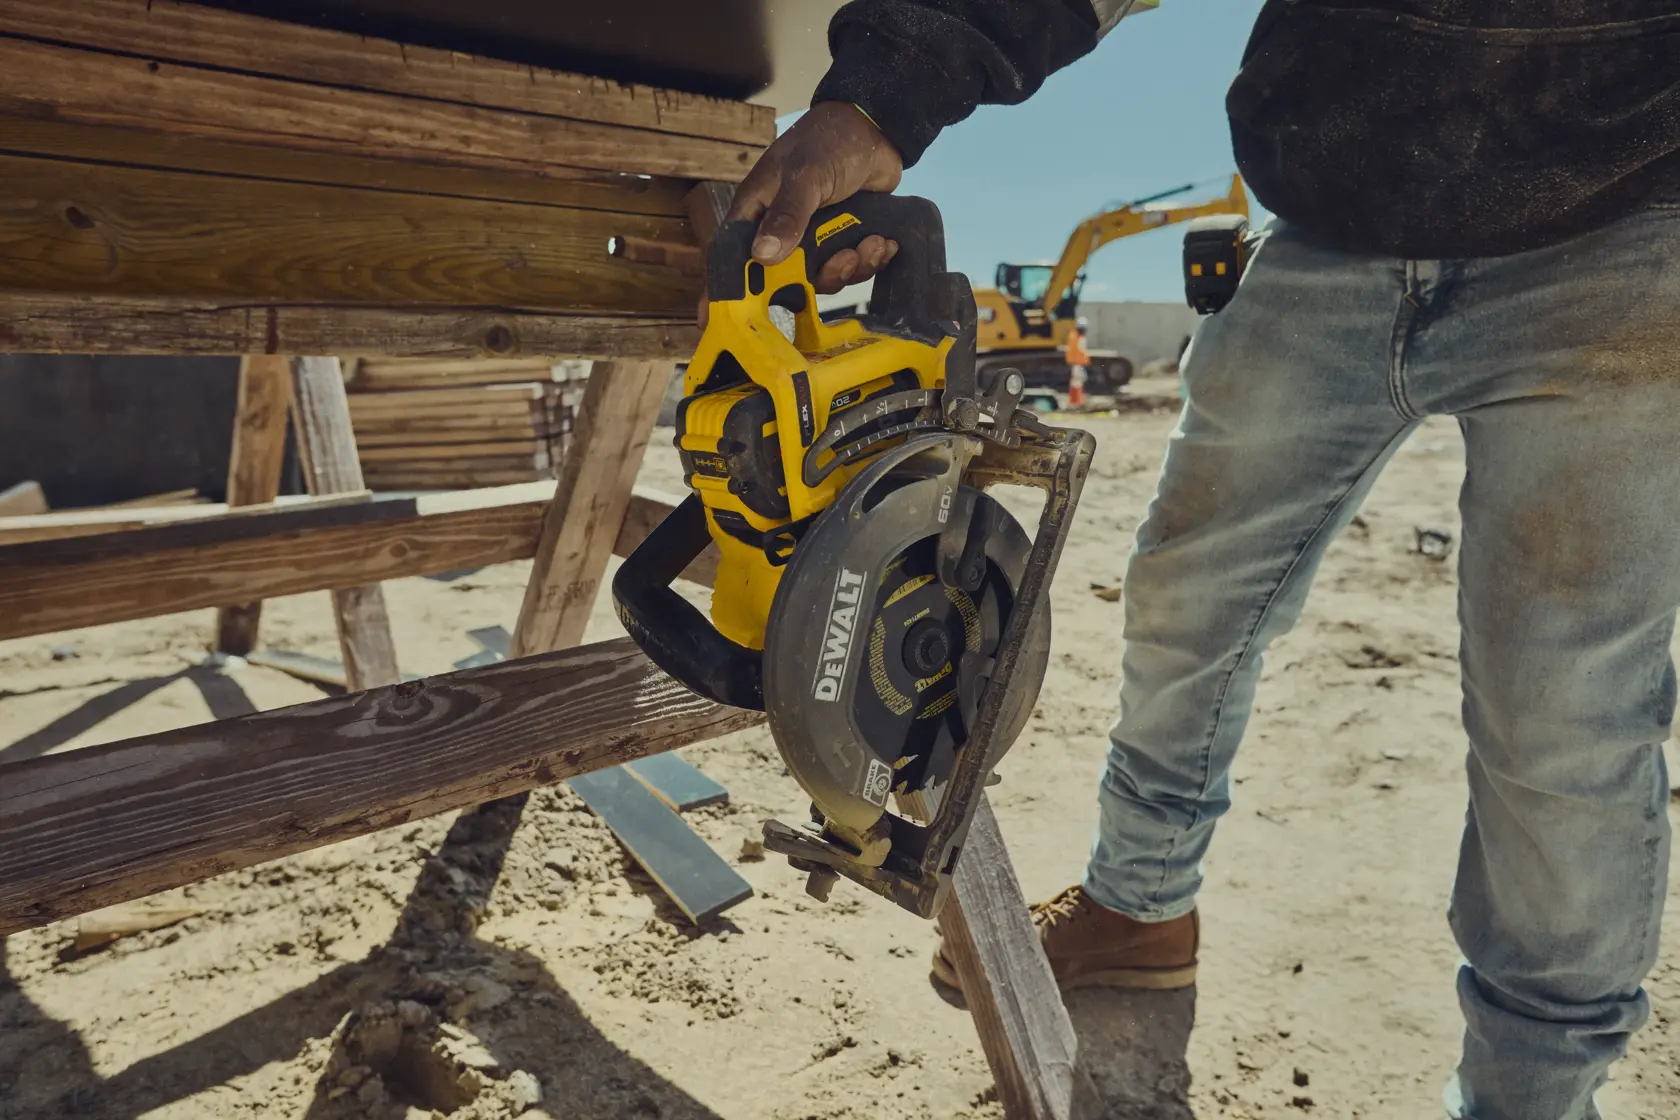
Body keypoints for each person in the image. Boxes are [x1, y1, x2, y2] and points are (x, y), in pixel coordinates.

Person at [723, 3, 1680, 1117]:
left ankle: (1538, 1095)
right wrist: (883, 94)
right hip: (1329, 230)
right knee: (1185, 598)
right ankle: (1141, 908)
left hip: (1617, 236)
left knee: (1562, 716)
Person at [1064, 317, 1090, 406]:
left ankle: (1075, 400)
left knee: (1076, 382)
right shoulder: (1078, 337)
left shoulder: (1074, 336)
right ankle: (1077, 401)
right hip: (1077, 363)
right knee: (1077, 382)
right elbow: (1080, 350)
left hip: (1077, 362)